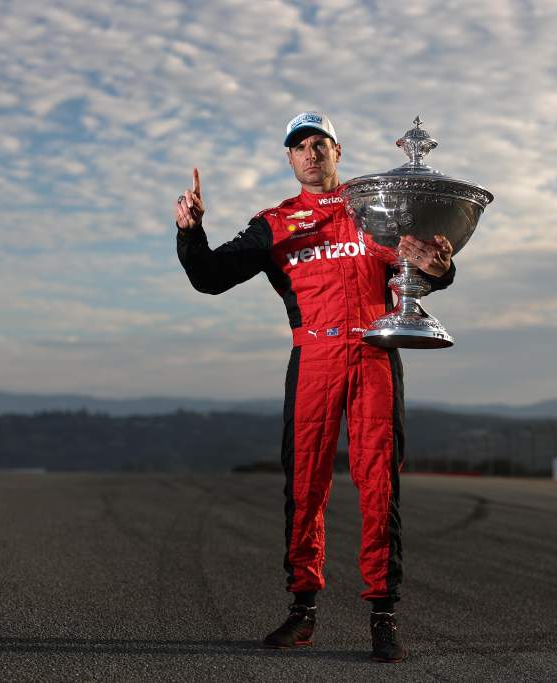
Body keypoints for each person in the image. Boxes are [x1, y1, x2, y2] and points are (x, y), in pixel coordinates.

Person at [174, 111, 454, 663]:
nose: (310, 153)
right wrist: (190, 231)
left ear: (338, 150)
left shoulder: (377, 209)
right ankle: (302, 612)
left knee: (380, 489)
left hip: (374, 356)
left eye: (319, 143)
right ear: (289, 158)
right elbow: (209, 277)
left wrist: (440, 267)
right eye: (299, 146)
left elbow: (423, 273)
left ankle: (383, 616)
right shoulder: (273, 223)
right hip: (314, 359)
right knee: (306, 489)